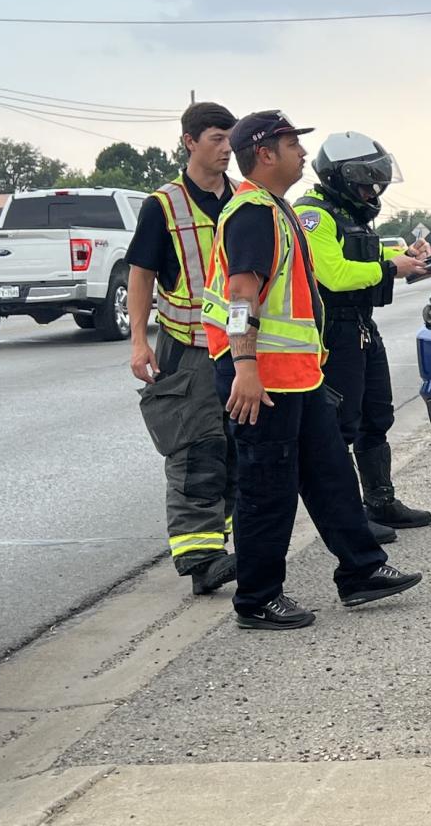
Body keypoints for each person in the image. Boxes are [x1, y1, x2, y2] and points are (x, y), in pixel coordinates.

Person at [202, 110, 422, 630]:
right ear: (265, 153)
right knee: (266, 491)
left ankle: (361, 571)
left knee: (330, 475)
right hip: (262, 381)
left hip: (298, 377)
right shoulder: (253, 213)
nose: (303, 154)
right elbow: (239, 297)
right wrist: (245, 367)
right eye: (292, 144)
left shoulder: (278, 211)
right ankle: (257, 599)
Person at [125, 101, 240, 596]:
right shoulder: (163, 205)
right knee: (195, 448)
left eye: (230, 139)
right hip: (188, 344)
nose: (226, 149)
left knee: (237, 449)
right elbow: (141, 275)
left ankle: (224, 544)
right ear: (190, 142)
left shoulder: (246, 199)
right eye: (216, 139)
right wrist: (138, 342)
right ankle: (200, 560)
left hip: (241, 346)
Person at [295, 132, 431, 531]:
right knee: (340, 426)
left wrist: (404, 257)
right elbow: (333, 274)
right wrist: (392, 269)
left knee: (377, 415)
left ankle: (381, 501)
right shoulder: (313, 215)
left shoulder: (348, 216)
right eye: (366, 183)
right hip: (332, 331)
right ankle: (347, 516)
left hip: (361, 326)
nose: (373, 191)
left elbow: (365, 253)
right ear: (340, 177)